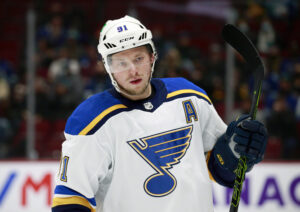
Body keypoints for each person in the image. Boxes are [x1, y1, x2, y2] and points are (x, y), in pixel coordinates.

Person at [51, 15, 268, 212]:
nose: (133, 71)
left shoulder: (189, 96)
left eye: (138, 59)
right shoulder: (91, 120)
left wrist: (236, 151)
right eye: (121, 63)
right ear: (108, 67)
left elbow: (219, 169)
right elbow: (70, 200)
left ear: (152, 57)